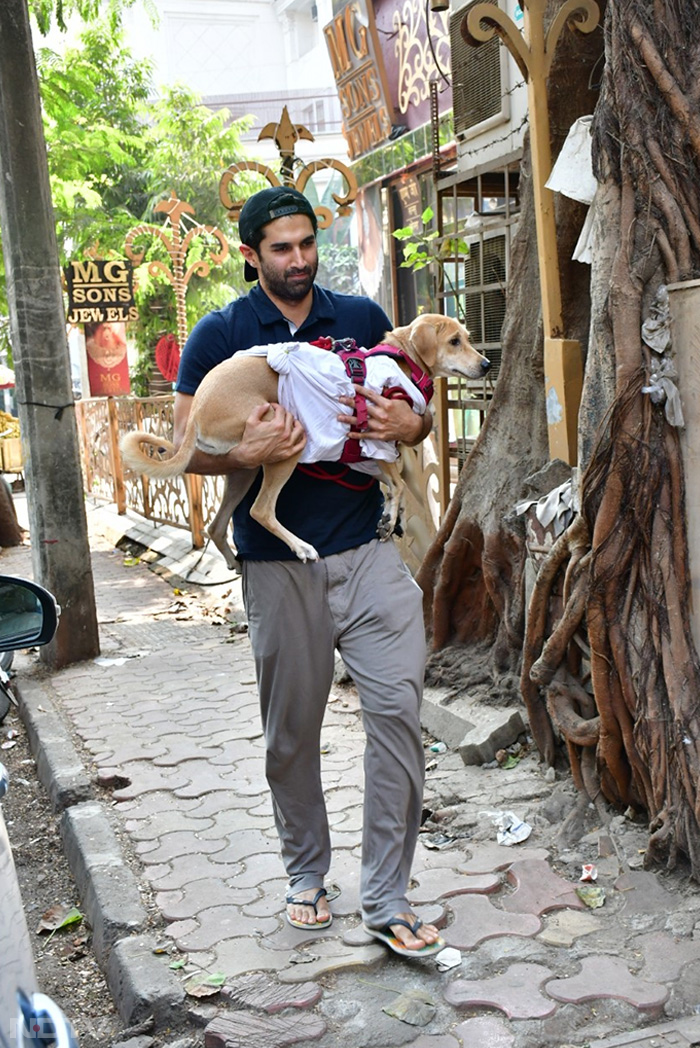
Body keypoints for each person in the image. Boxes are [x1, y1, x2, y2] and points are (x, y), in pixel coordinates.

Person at [173, 186, 441, 955]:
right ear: (251, 254)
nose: (298, 261)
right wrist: (239, 452)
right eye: (281, 248)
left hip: (366, 554)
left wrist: (412, 423)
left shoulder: (359, 319)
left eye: (306, 244)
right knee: (291, 734)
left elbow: (415, 400)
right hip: (277, 566)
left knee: (397, 717)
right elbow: (182, 445)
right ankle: (305, 871)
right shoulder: (222, 334)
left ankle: (387, 898)